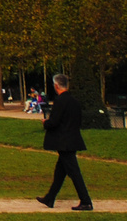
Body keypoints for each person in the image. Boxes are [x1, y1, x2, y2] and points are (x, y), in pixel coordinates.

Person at [35, 72, 92, 211]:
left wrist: (46, 123)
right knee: (60, 171)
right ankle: (50, 197)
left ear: (56, 85)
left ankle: (86, 201)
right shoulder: (74, 101)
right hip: (72, 139)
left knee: (74, 172)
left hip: (63, 141)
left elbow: (54, 122)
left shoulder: (60, 101)